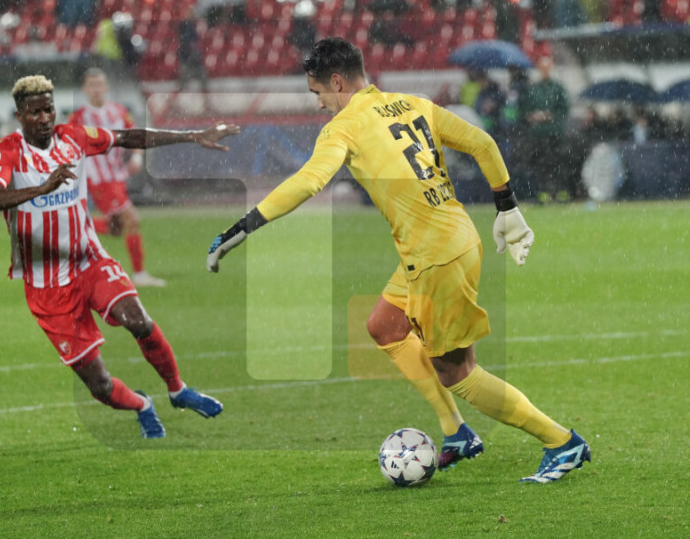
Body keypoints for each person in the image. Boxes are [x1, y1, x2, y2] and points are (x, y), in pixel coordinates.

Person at [207, 38, 590, 483]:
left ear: (337, 82)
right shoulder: (414, 104)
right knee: (385, 326)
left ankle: (560, 441)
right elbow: (482, 142)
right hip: (451, 235)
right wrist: (507, 206)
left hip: (434, 255)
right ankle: (456, 431)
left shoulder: (344, 126)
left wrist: (243, 226)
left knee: (457, 372)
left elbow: (310, 181)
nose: (319, 104)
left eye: (318, 93)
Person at [0, 75, 237, 438]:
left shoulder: (74, 137)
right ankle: (141, 404)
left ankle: (178, 389)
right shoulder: (7, 151)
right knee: (99, 385)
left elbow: (128, 137)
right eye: (35, 112)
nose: (45, 118)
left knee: (138, 320)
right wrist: (42, 187)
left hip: (89, 261)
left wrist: (191, 136)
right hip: (46, 284)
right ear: (20, 116)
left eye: (49, 109)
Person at [69, 67, 166, 288]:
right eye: (91, 85)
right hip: (99, 179)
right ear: (85, 89)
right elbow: (68, 147)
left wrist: (137, 158)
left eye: (99, 84)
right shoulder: (78, 118)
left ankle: (75, 228)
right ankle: (139, 274)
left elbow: (135, 137)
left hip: (117, 176)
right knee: (132, 220)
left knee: (116, 228)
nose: (96, 89)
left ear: (106, 87)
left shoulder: (119, 111)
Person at [517, 57, 570, 202]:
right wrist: (533, 116)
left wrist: (549, 116)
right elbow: (524, 110)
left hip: (554, 132)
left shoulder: (557, 88)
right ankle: (543, 192)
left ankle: (560, 191)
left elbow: (564, 109)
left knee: (557, 162)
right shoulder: (533, 89)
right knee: (540, 164)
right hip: (538, 133)